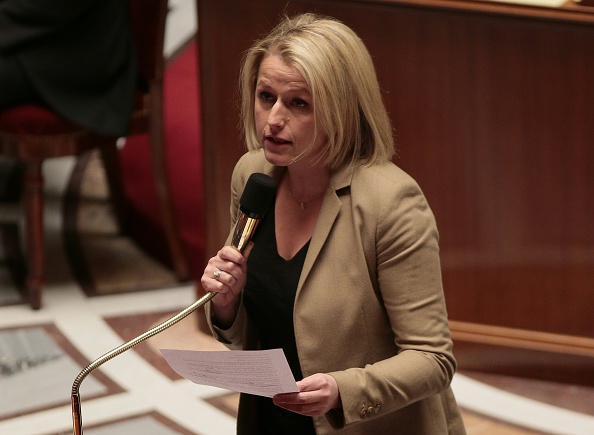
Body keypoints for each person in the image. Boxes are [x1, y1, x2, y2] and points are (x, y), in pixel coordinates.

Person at [201, 12, 466, 435]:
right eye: (265, 96)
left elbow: (433, 359)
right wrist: (226, 304)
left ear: (341, 110)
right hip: (268, 419)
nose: (273, 120)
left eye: (298, 104)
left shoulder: (390, 202)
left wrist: (343, 390)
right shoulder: (253, 177)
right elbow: (255, 333)